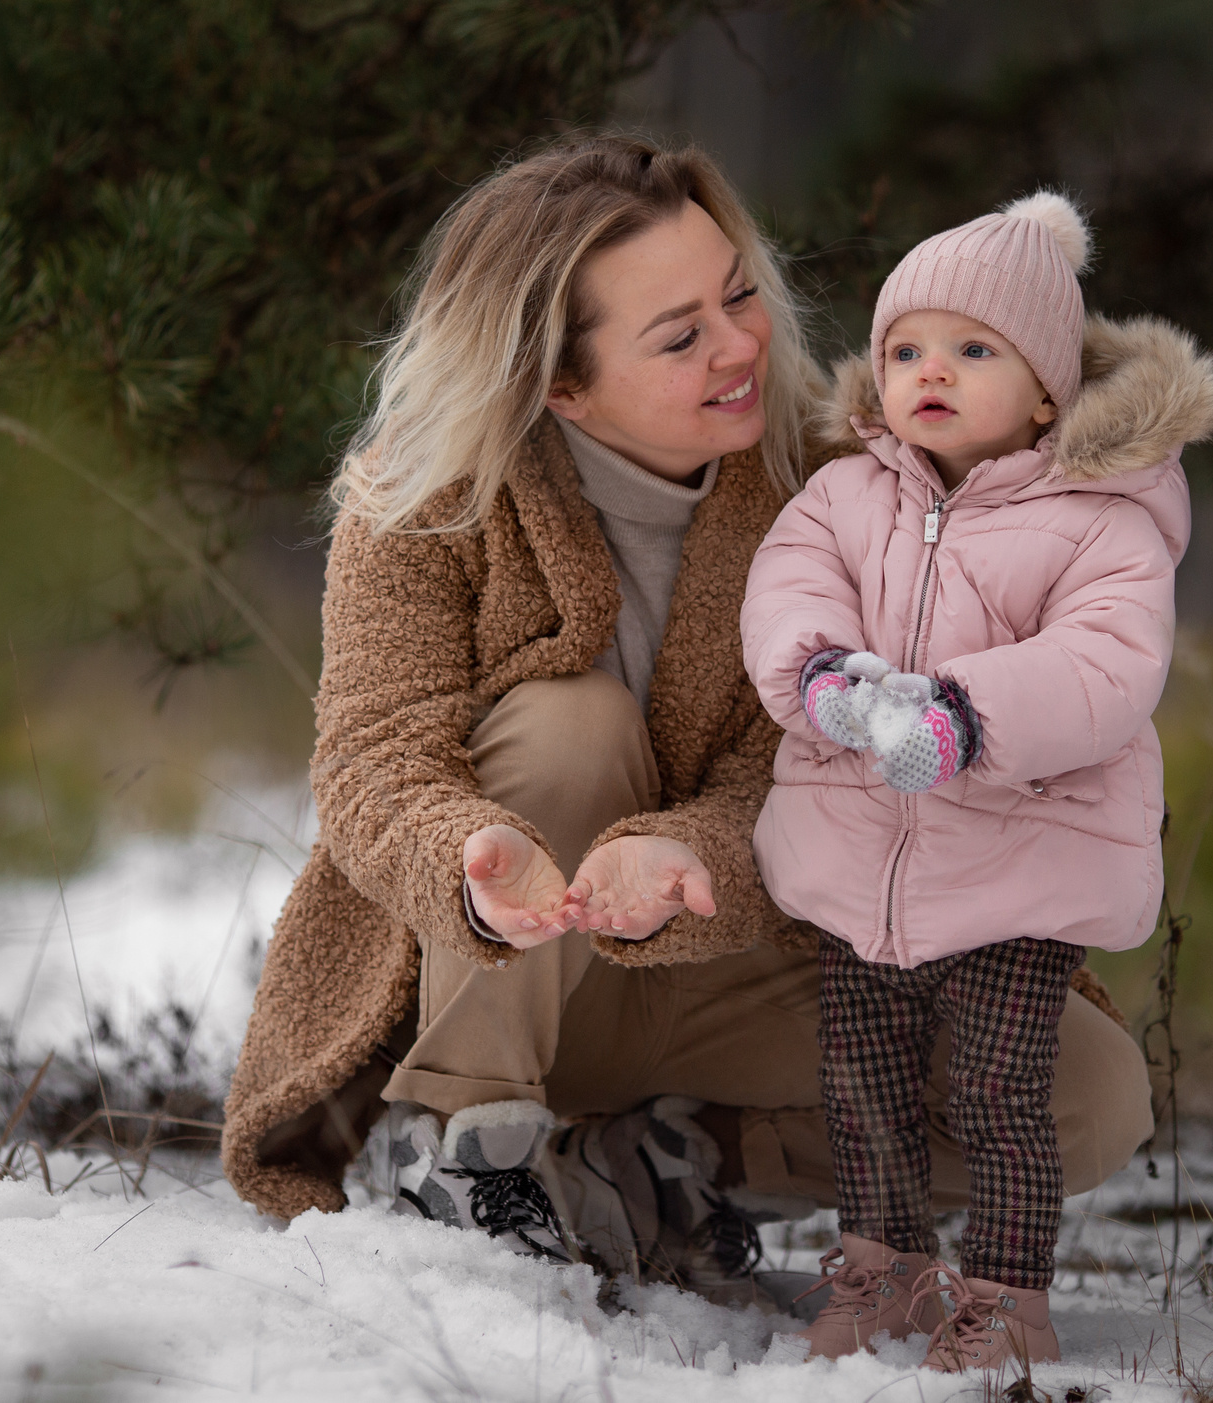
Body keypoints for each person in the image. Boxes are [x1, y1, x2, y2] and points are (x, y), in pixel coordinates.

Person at [220, 138, 1159, 1300]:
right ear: (559, 385)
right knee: (575, 725)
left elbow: (823, 765)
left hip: (732, 960)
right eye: (679, 336)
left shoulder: (841, 485)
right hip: (507, 967)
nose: (741, 346)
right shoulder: (428, 499)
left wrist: (686, 855)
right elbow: (370, 755)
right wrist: (468, 862)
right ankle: (463, 1145)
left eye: (738, 296)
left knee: (1093, 1094)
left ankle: (663, 1163)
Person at [741, 191, 1213, 1367]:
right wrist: (824, 679)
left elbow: (1104, 665)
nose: (929, 373)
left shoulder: (1104, 518)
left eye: (973, 350)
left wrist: (963, 714)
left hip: (1021, 861)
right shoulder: (848, 493)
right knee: (861, 1079)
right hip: (867, 860)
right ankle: (885, 1268)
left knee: (1003, 1089)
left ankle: (1009, 1299)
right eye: (906, 348)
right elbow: (789, 585)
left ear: (1047, 390)